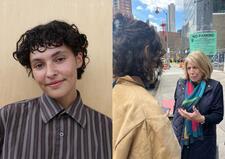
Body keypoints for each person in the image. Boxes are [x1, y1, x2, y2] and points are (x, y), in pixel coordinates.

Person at [0, 20, 112, 159]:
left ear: (78, 59)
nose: (50, 73)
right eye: (39, 65)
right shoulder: (7, 118)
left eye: (59, 59)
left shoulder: (108, 129)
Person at [112, 14, 181, 159]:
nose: (158, 64)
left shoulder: (113, 91)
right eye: (158, 56)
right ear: (147, 51)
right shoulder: (148, 111)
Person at [172, 51, 224, 159]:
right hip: (180, 140)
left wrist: (201, 118)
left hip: (202, 143)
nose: (192, 72)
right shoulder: (181, 84)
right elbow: (176, 107)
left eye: (195, 67)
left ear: (204, 67)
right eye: (189, 68)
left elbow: (218, 115)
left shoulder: (214, 87)